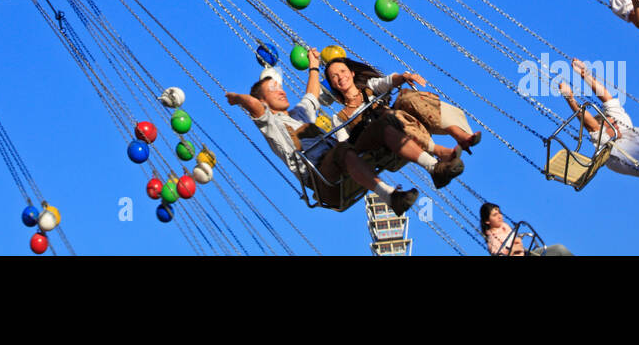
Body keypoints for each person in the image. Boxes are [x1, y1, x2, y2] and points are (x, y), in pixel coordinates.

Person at [226, 50, 419, 216]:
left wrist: (313, 66)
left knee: (376, 126)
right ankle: (390, 196)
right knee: (342, 150)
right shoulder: (272, 125)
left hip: (343, 162)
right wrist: (237, 98)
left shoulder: (299, 114)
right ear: (264, 102)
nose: (281, 91)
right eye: (273, 89)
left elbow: (311, 95)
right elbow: (253, 105)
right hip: (325, 180)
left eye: (280, 87)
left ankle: (432, 161)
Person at [322, 56, 471, 189]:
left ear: (352, 73)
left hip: (402, 126)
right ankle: (437, 152)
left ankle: (459, 134)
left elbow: (388, 81)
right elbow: (347, 148)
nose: (340, 77)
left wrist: (404, 77)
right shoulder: (339, 118)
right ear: (333, 84)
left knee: (406, 97)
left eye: (342, 71)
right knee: (386, 118)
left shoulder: (370, 87)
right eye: (334, 76)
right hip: (379, 148)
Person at [479, 202, 574, 257]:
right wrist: (512, 250)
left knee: (559, 249)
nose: (499, 216)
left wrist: (519, 239)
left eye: (499, 213)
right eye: (495, 215)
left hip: (526, 253)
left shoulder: (505, 226)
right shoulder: (492, 238)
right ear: (487, 221)